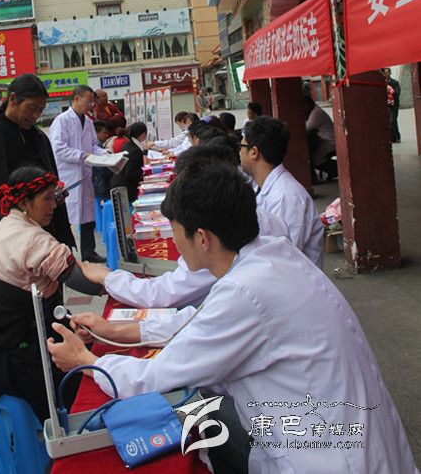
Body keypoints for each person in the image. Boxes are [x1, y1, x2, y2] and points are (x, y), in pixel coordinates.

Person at [49, 161, 418, 474]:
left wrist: (87, 362)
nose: (174, 243)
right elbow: (199, 322)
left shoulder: (246, 291)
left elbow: (155, 377)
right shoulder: (270, 255)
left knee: (201, 422)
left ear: (202, 237)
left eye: (176, 232)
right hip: (353, 440)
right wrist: (117, 330)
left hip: (329, 458)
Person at [81, 144, 288, 316]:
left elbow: (167, 296)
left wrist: (108, 278)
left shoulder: (228, 265)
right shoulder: (265, 234)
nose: (174, 240)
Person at [0, 167, 100, 423]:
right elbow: (80, 280)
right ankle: (76, 424)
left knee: (86, 334)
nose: (53, 206)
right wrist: (122, 285)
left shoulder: (4, 225)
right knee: (87, 368)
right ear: (24, 202)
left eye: (54, 197)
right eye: (46, 198)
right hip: (11, 354)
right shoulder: (32, 240)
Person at [0, 73, 75, 277]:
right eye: (31, 108)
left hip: (41, 236)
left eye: (41, 110)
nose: (35, 116)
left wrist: (55, 194)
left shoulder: (39, 138)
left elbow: (50, 181)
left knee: (47, 289)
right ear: (13, 99)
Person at [242, 116, 324, 268]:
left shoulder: (286, 197)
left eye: (241, 146)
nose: (239, 152)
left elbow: (281, 257)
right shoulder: (262, 187)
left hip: (290, 276)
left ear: (254, 152)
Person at [49, 86, 106, 263]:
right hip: (69, 177)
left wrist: (105, 154)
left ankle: (89, 253)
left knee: (87, 217)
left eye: (92, 103)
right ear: (76, 99)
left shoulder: (88, 121)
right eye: (88, 102)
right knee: (65, 219)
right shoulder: (62, 120)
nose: (90, 106)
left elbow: (94, 145)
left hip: (85, 175)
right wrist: (82, 155)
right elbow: (58, 148)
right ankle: (64, 257)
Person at [110, 122, 147, 203]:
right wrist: (146, 170)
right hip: (125, 189)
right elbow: (130, 173)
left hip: (119, 185)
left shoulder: (128, 145)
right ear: (143, 134)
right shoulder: (135, 150)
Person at [303, 96, 337, 180]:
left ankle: (336, 169)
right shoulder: (313, 111)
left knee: (315, 160)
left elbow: (307, 128)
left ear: (308, 104)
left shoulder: (316, 113)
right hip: (323, 141)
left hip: (329, 142)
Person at [92, 120, 113, 202]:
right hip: (100, 185)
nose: (107, 135)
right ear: (96, 133)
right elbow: (104, 169)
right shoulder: (97, 149)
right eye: (104, 133)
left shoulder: (101, 147)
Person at [384, 68, 401, 143]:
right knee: (389, 121)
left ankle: (397, 136)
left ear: (390, 73)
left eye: (387, 72)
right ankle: (393, 138)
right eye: (385, 72)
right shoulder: (382, 83)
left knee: (392, 120)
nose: (386, 74)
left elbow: (397, 93)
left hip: (394, 105)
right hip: (386, 105)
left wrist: (391, 91)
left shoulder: (395, 83)